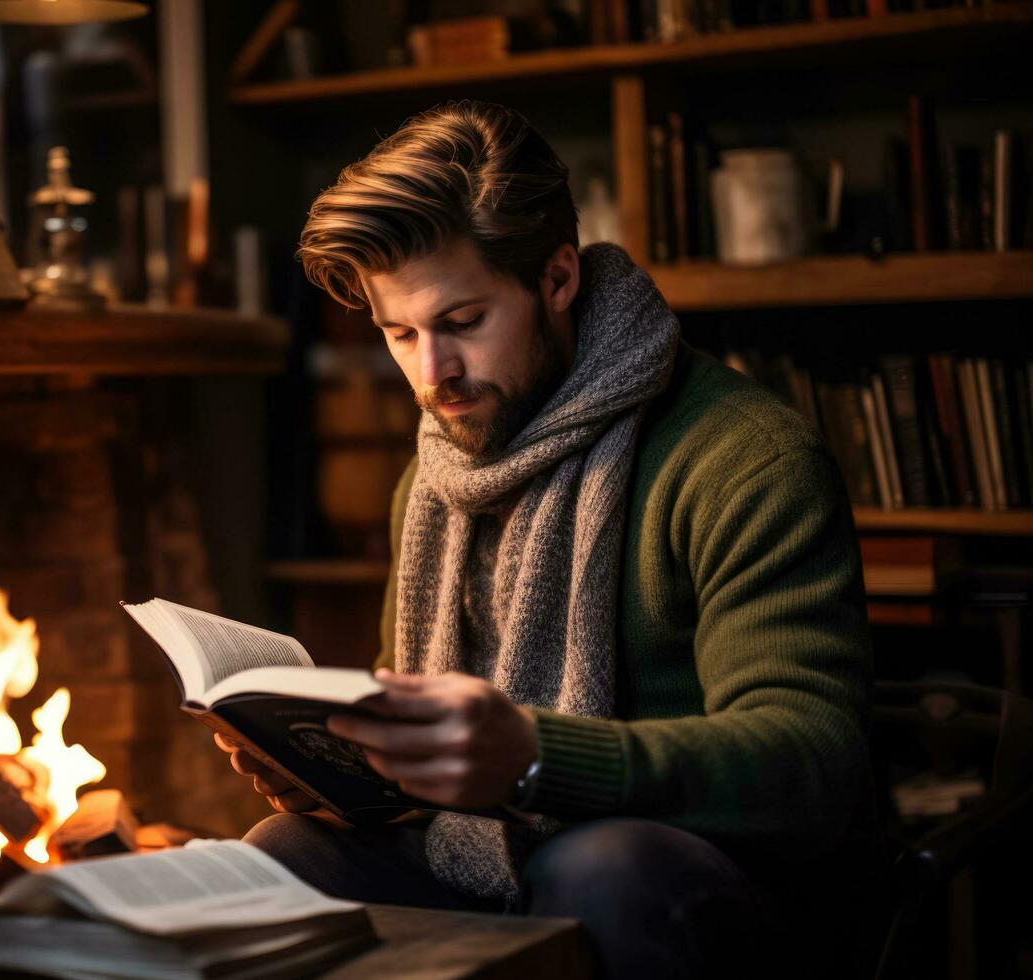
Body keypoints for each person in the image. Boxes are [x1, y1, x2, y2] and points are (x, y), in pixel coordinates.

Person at [213, 100, 881, 980]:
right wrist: (340, 779)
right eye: (398, 332)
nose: (430, 375)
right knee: (281, 854)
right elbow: (419, 763)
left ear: (558, 278)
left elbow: (810, 765)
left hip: (708, 886)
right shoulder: (434, 479)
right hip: (482, 863)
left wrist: (535, 758)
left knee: (599, 867)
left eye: (462, 323)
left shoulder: (744, 461)